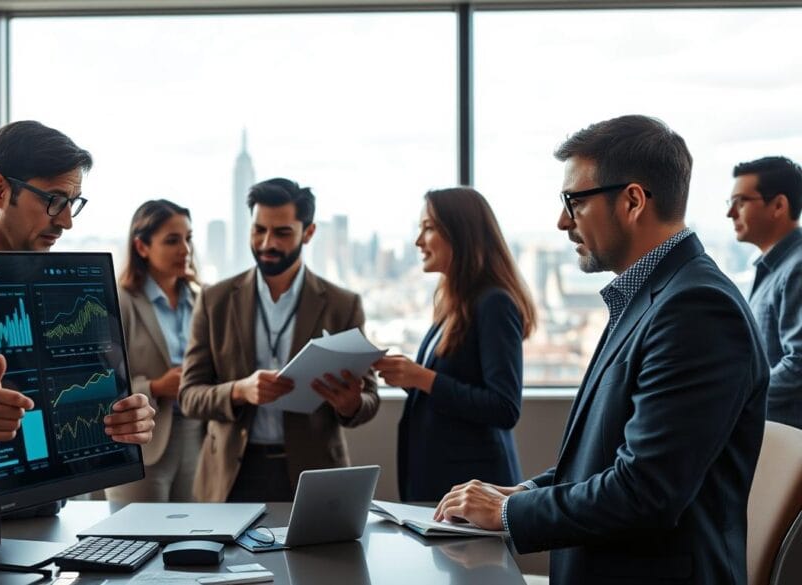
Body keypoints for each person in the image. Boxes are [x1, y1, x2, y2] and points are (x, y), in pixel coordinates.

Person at [434, 115, 768, 585]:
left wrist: (509, 513)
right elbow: (608, 460)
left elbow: (645, 490)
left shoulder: (696, 308)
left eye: (574, 201)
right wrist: (519, 494)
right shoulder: (655, 295)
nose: (562, 220)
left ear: (632, 200)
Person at [0, 121, 157, 552]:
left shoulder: (49, 286)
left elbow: (63, 408)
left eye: (74, 204)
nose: (67, 223)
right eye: (55, 201)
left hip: (41, 534)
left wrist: (120, 423)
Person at [179, 177, 380, 502]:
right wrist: (239, 391)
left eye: (282, 232)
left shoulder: (343, 304)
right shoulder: (214, 300)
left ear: (308, 232)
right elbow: (189, 396)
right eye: (259, 230)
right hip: (230, 476)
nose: (267, 242)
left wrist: (351, 404)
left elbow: (369, 398)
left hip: (312, 474)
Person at [373, 187, 536, 502]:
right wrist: (409, 377)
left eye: (429, 228)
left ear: (462, 234)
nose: (418, 241)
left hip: (472, 489)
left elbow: (504, 407)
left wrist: (422, 378)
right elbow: (454, 386)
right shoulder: (455, 303)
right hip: (443, 484)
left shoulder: (494, 303)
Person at [106, 199, 203, 502]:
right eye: (172, 240)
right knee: (136, 540)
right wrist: (157, 387)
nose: (185, 249)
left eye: (188, 238)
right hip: (142, 439)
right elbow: (104, 383)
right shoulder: (120, 301)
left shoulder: (201, 300)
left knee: (191, 537)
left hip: (195, 434)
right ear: (142, 247)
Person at [727, 156, 802, 429]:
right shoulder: (773, 268)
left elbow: (799, 365)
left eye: (741, 201)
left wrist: (735, 401)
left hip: (789, 444)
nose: (731, 213)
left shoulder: (797, 268)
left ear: (779, 205)